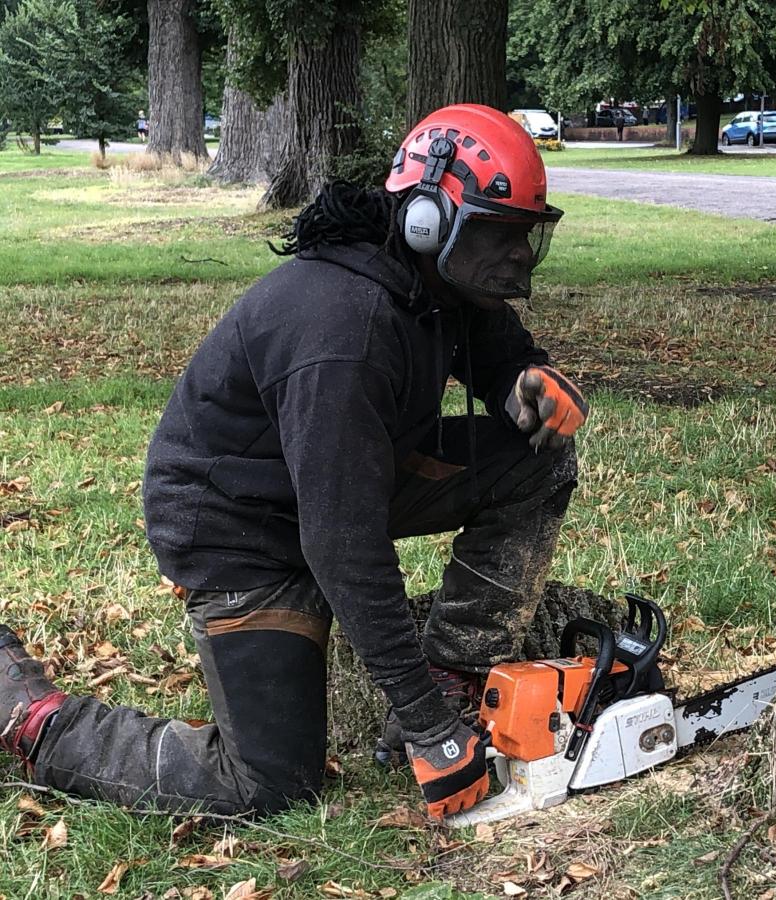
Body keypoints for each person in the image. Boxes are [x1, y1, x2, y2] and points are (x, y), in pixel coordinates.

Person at [0, 104, 588, 821]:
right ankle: (34, 716)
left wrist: (521, 377)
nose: (519, 254)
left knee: (536, 463)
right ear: (428, 218)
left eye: (526, 233)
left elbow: (488, 341)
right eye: (499, 232)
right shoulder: (345, 331)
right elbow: (343, 542)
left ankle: (455, 667)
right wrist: (427, 726)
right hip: (239, 528)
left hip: (342, 475)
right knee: (267, 784)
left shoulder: (434, 280)